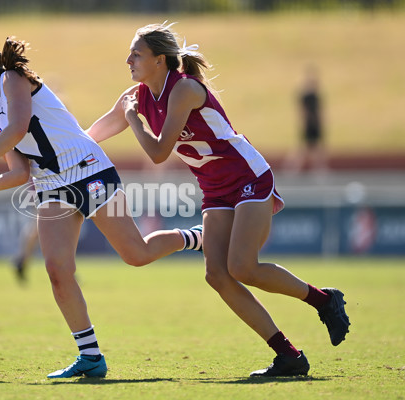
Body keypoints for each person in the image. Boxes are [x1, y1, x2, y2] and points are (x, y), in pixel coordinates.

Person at [0, 37, 203, 379]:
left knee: (136, 254)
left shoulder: (11, 79)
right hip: (50, 188)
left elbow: (17, 129)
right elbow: (18, 173)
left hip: (89, 172)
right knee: (58, 272)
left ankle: (198, 236)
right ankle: (90, 356)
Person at [86, 22, 350, 377]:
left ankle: (323, 299)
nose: (128, 59)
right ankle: (289, 356)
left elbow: (159, 152)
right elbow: (92, 135)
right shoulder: (136, 97)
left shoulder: (183, 90)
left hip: (248, 177)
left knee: (243, 267)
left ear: (160, 60)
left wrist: (133, 119)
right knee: (217, 275)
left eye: (137, 53)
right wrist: (61, 155)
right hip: (215, 188)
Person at [284, 65, 328, 174]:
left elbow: (319, 110)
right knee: (304, 148)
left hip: (314, 124)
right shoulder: (306, 96)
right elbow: (303, 111)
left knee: (315, 148)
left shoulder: (315, 96)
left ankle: (319, 168)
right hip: (309, 124)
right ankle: (292, 168)